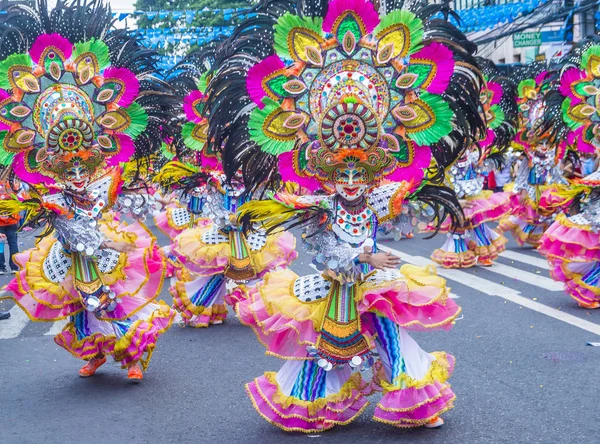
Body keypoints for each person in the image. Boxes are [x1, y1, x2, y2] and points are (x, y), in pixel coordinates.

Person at [208, 0, 485, 431]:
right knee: (322, 346)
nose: (351, 181)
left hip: (371, 282)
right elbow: (326, 254)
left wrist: (435, 153)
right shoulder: (318, 208)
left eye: (360, 172)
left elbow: (413, 182)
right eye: (342, 174)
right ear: (326, 175)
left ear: (372, 169)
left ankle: (414, 400)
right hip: (337, 283)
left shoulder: (376, 197)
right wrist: (365, 259)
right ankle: (311, 405)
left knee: (392, 333)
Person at [0, 0, 177, 382]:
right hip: (70, 258)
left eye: (83, 167)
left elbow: (125, 192)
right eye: (70, 169)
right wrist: (44, 208)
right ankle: (97, 355)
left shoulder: (104, 182)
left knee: (117, 303)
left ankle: (132, 358)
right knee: (82, 309)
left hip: (107, 250)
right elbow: (30, 206)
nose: (78, 174)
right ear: (56, 167)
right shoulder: (53, 196)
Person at [0, 180, 22, 274]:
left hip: (1, 224)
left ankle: (1, 267)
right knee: (13, 244)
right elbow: (20, 200)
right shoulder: (12, 187)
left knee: (0, 245)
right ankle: (14, 266)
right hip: (12, 221)